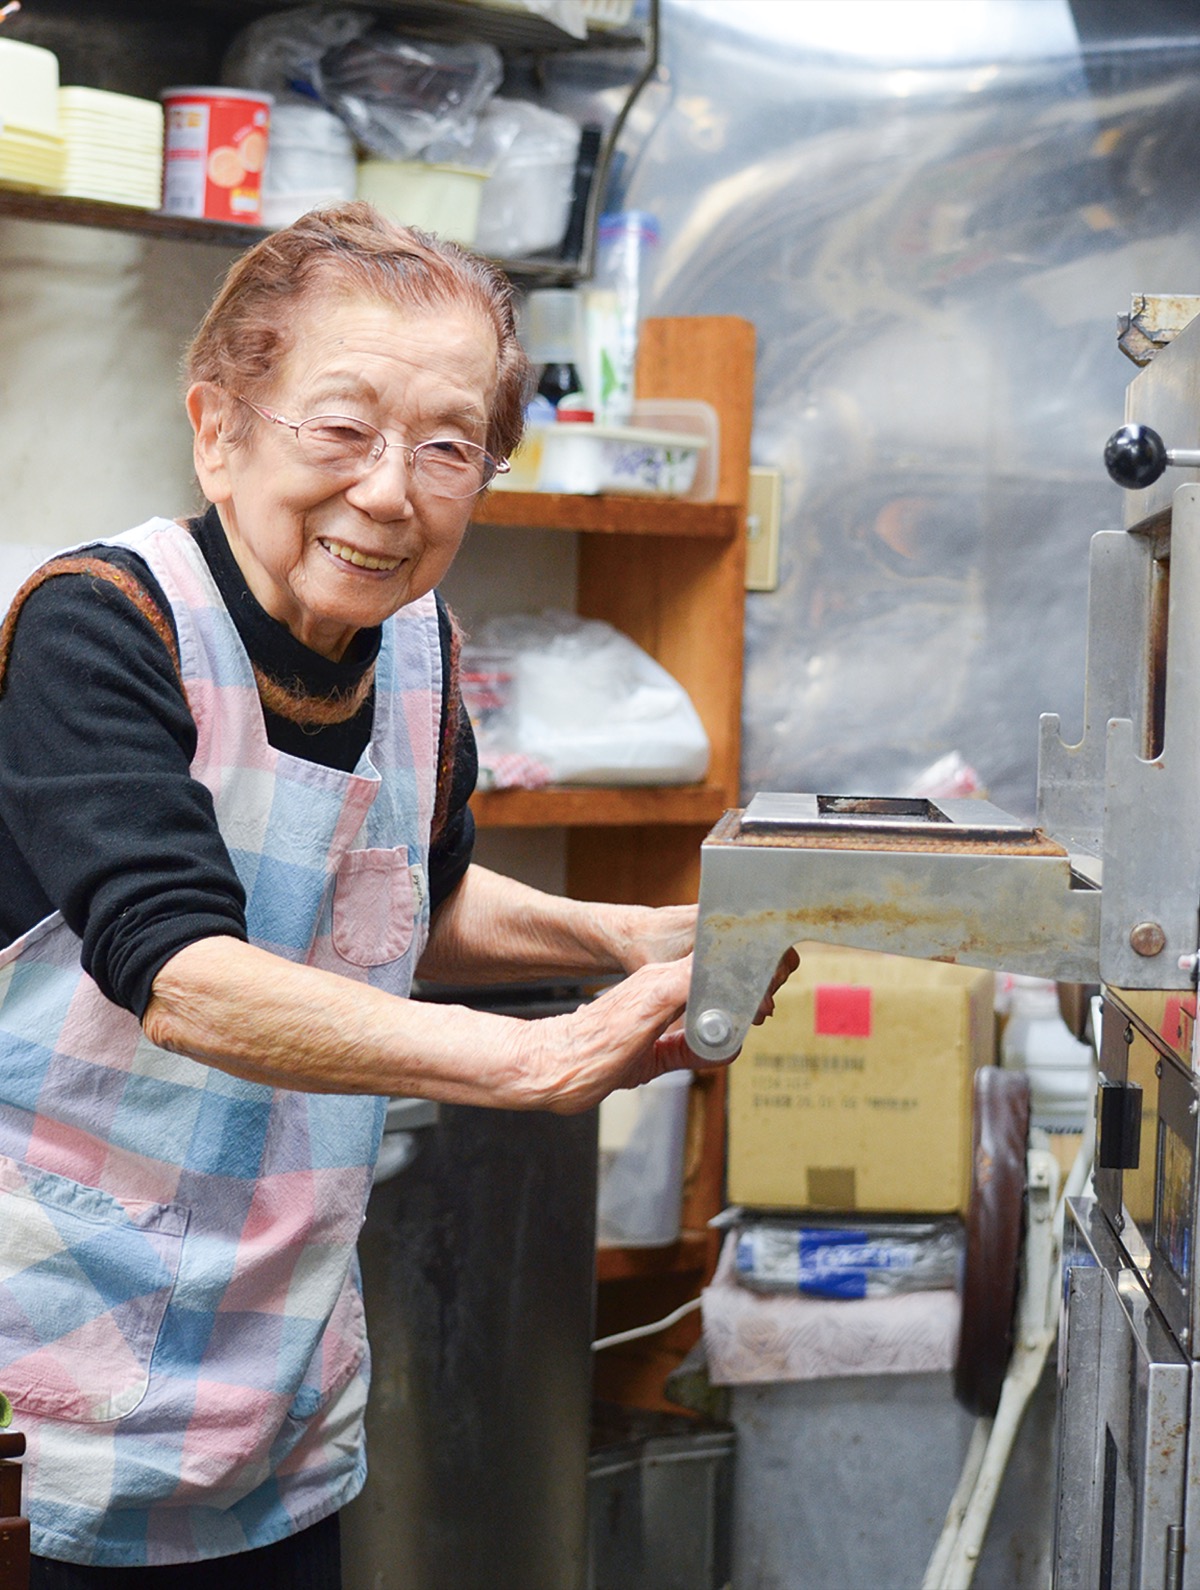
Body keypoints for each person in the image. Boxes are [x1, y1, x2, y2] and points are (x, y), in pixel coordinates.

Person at [0, 203, 794, 1586]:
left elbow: (403, 897)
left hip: (277, 1412)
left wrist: (626, 936)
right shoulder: (100, 627)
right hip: (44, 1411)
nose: (389, 490)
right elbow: (180, 969)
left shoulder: (414, 650)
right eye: (341, 427)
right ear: (220, 429)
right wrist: (541, 1056)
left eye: (446, 446)